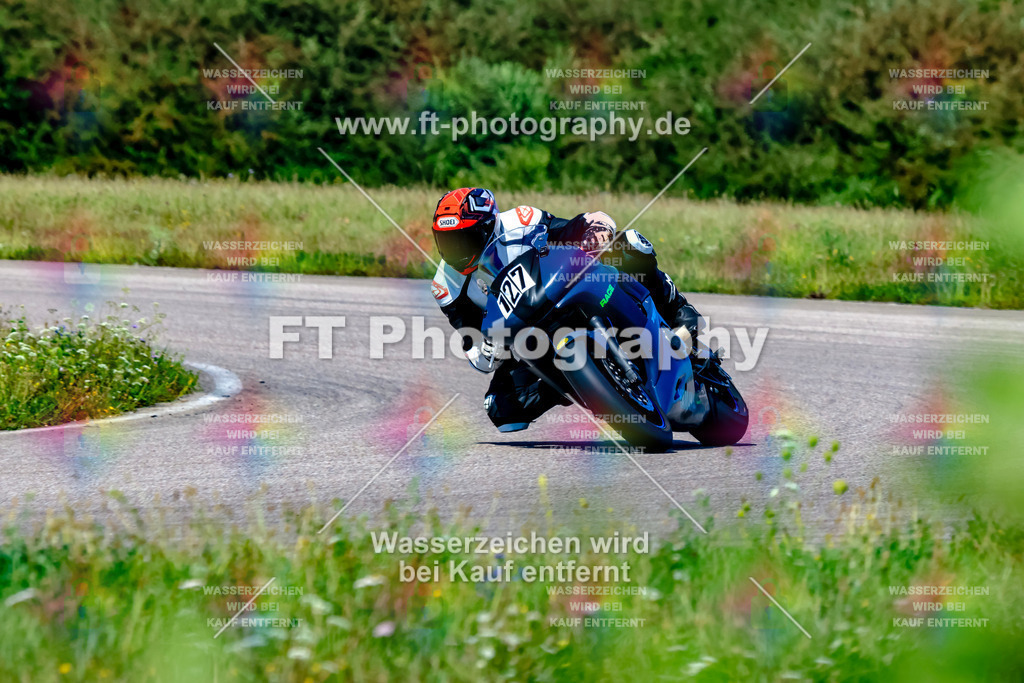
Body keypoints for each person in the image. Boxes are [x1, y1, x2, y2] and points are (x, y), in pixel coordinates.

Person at [430, 187, 701, 432]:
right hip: (527, 339)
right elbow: (471, 342)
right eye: (447, 242)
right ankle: (592, 388)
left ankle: (677, 307)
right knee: (501, 408)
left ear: (488, 227)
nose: (456, 251)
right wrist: (486, 350)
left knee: (625, 245)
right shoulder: (446, 286)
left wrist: (593, 236)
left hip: (563, 290)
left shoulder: (522, 222)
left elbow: (577, 225)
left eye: (463, 240)